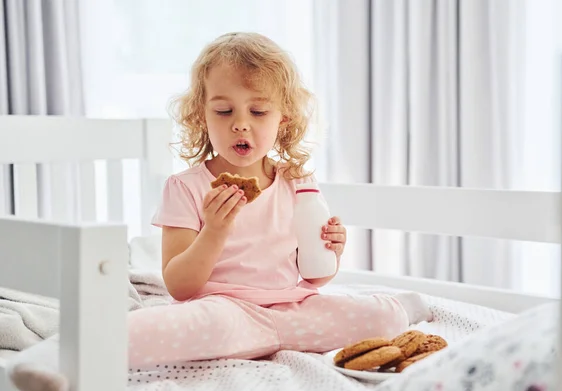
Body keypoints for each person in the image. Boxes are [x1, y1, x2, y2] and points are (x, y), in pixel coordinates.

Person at [127, 32, 432, 368]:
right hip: (224, 311)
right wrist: (214, 231)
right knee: (148, 332)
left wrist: (332, 251)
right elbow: (179, 286)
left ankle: (403, 306)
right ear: (202, 115)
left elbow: (314, 277)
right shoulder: (185, 187)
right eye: (224, 111)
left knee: (380, 318)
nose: (241, 124)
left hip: (292, 308)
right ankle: (72, 353)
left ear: (282, 118)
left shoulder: (297, 182)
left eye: (258, 111)